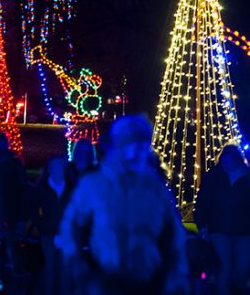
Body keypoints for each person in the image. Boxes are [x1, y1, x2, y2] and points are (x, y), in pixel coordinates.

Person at [56, 115, 189, 295]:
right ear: (120, 146)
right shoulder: (95, 184)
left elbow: (174, 233)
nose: (141, 152)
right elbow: (70, 226)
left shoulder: (154, 188)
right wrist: (77, 264)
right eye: (134, 145)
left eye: (144, 146)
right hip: (105, 279)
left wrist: (178, 272)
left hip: (148, 281)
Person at [194, 144, 250, 295]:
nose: (228, 161)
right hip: (219, 228)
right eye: (226, 157)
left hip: (244, 230)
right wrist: (201, 223)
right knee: (223, 266)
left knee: (242, 268)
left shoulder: (247, 177)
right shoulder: (214, 177)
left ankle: (237, 289)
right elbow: (203, 200)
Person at [0, 132, 26, 288]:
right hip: (12, 212)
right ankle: (12, 280)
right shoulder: (15, 163)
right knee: (10, 250)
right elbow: (22, 190)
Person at [34, 157, 74, 295]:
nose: (57, 170)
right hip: (48, 233)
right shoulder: (42, 188)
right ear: (49, 170)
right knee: (50, 267)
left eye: (60, 167)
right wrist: (43, 226)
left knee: (65, 269)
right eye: (54, 167)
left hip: (67, 234)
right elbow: (34, 211)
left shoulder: (71, 187)